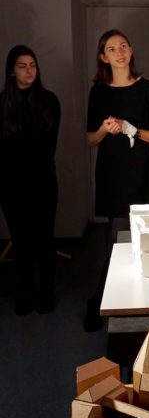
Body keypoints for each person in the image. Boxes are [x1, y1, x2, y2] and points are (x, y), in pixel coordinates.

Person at [85, 29, 149, 331]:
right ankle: (106, 300)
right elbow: (90, 139)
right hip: (110, 170)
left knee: (129, 234)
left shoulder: (148, 88)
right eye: (112, 49)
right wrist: (105, 129)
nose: (119, 53)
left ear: (131, 51)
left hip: (138, 170)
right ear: (103, 57)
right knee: (116, 234)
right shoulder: (98, 92)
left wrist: (133, 130)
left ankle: (107, 301)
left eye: (123, 46)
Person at [0, 45, 61, 316]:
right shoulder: (2, 103)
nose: (29, 71)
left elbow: (49, 146)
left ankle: (48, 291)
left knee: (45, 239)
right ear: (11, 71)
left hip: (42, 180)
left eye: (33, 65)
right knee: (21, 241)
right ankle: (25, 293)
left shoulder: (49, 101)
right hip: (10, 185)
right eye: (22, 66)